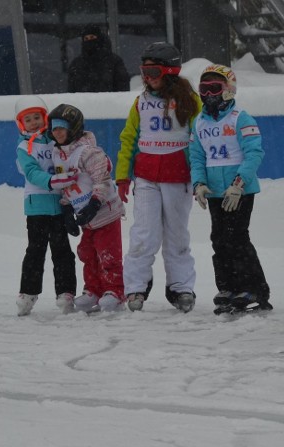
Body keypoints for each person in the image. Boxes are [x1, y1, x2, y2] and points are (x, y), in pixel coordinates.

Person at [115, 42, 201, 313]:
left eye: (153, 71)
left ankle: (181, 287)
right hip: (147, 177)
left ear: (170, 70)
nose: (147, 77)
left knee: (177, 236)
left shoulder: (190, 100)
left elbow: (200, 140)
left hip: (178, 177)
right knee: (144, 233)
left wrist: (201, 178)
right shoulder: (140, 102)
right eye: (143, 71)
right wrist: (122, 178)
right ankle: (136, 287)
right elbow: (129, 138)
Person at [189, 64, 271, 315]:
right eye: (204, 89)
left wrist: (239, 183)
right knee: (219, 239)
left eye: (215, 88)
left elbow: (254, 152)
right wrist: (199, 183)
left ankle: (254, 289)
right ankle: (227, 287)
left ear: (229, 90)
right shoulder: (199, 122)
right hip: (215, 191)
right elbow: (196, 156)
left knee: (237, 237)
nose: (209, 95)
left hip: (239, 191)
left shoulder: (240, 118)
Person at [49, 103, 126, 312]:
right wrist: (67, 210)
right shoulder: (58, 155)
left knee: (107, 253)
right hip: (86, 218)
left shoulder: (89, 152)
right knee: (87, 253)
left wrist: (94, 203)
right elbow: (67, 185)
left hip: (105, 213)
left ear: (73, 128)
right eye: (54, 128)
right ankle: (93, 289)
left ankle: (115, 291)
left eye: (61, 128)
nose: (57, 132)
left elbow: (102, 180)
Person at [12, 96, 78, 316]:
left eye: (37, 117)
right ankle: (28, 293)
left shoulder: (56, 140)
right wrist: (51, 181)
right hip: (36, 207)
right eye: (28, 119)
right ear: (21, 124)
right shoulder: (24, 147)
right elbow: (31, 172)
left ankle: (66, 292)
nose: (34, 123)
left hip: (59, 206)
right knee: (35, 251)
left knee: (62, 252)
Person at [67, 25, 130, 93]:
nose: (89, 41)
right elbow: (72, 91)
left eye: (92, 37)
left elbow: (123, 89)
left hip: (109, 102)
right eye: (86, 38)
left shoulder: (114, 62)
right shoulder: (76, 64)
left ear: (100, 38)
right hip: (82, 103)